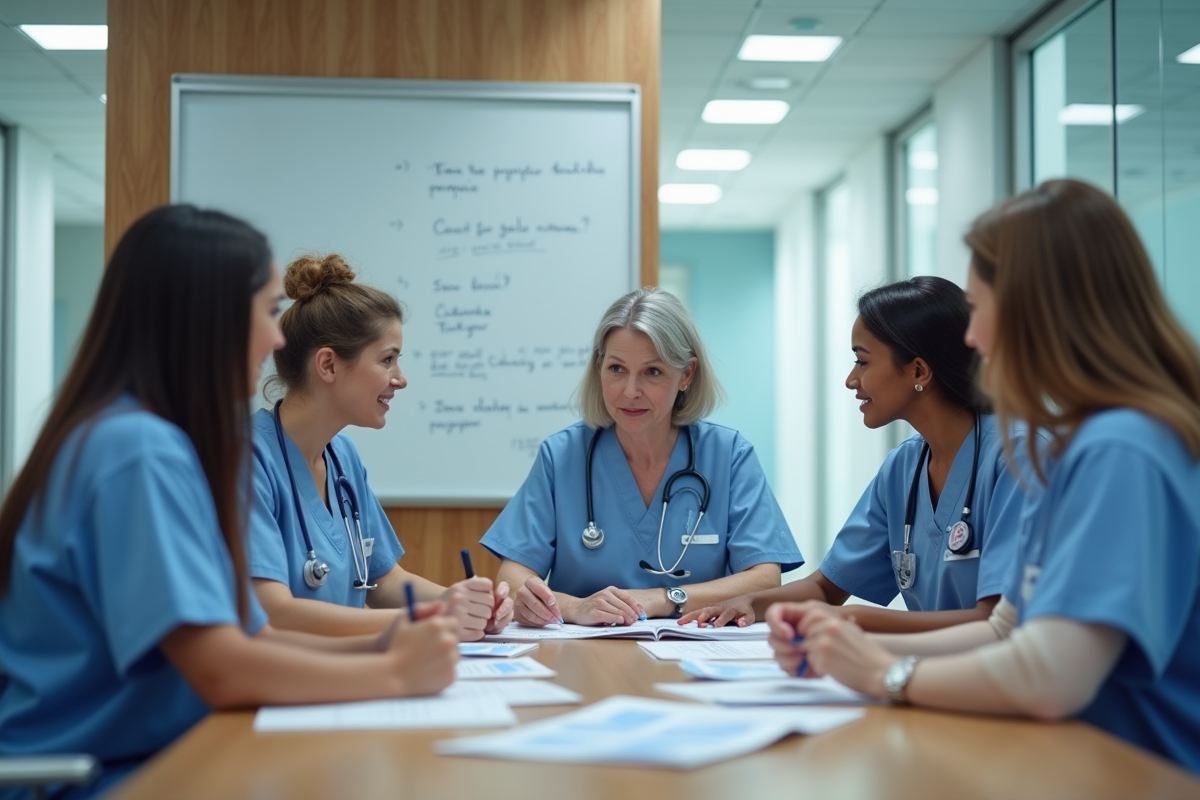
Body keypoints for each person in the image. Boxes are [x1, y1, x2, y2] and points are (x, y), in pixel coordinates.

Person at [0, 206, 459, 798]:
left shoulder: (149, 440)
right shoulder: (137, 451)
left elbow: (252, 639)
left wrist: (386, 642)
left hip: (161, 756)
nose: (276, 339)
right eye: (268, 312)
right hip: (99, 778)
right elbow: (219, 667)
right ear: (205, 317)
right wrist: (394, 672)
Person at [767, 179, 1200, 774]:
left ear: (1034, 311)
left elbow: (1051, 675)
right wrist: (846, 647)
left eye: (980, 308)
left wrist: (884, 672)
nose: (970, 337)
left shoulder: (1118, 450)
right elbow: (1006, 628)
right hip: (1073, 755)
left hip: (1137, 769)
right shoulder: (1086, 445)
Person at [683, 277, 1035, 633]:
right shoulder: (904, 469)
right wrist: (751, 603)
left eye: (862, 362)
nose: (851, 380)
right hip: (936, 674)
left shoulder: (1020, 459)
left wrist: (853, 619)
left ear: (918, 371)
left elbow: (995, 623)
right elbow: (826, 588)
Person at [481, 288, 802, 626]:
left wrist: (664, 598)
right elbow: (514, 577)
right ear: (599, 367)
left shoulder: (729, 456)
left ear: (687, 375)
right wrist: (576, 608)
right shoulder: (561, 457)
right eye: (617, 368)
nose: (630, 391)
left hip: (694, 656)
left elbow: (765, 578)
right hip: (584, 658)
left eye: (652, 372)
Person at [250, 253, 513, 642]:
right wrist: (435, 616)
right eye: (387, 360)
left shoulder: (343, 458)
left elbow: (384, 580)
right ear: (328, 365)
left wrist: (467, 606)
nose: (400, 379)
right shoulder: (247, 459)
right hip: (282, 688)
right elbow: (273, 612)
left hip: (349, 677)